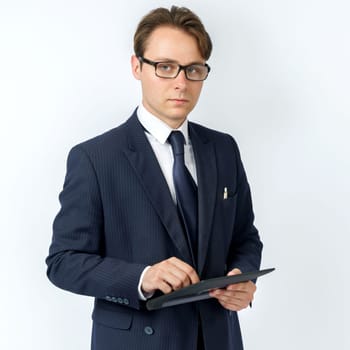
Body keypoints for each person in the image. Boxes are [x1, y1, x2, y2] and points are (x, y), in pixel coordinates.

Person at [46, 5, 263, 350]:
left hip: (220, 338)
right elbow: (63, 262)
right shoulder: (95, 158)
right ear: (137, 67)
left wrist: (242, 278)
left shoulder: (223, 149)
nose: (181, 82)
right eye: (165, 67)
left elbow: (245, 236)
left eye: (193, 69)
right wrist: (143, 277)